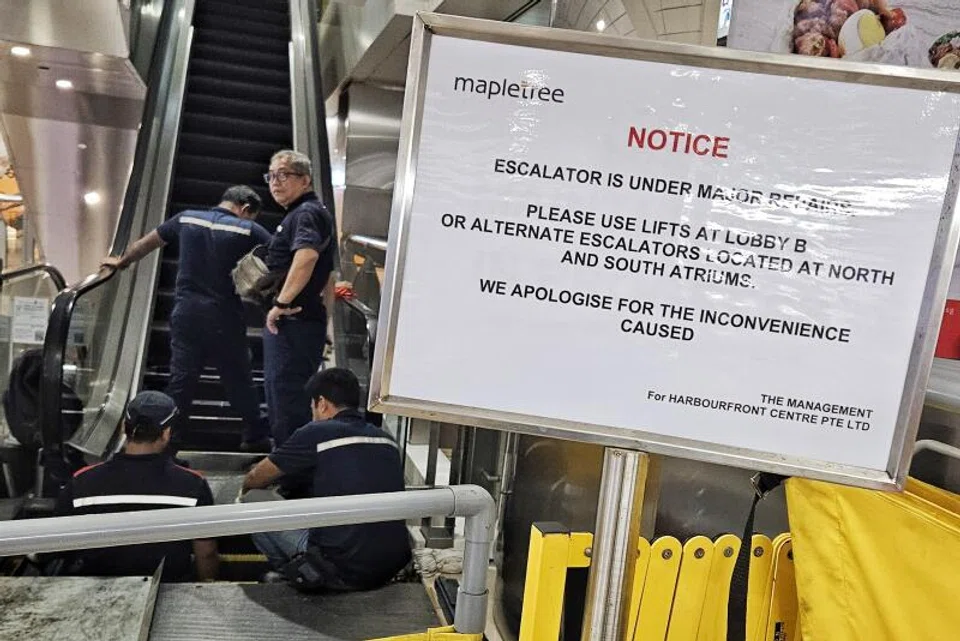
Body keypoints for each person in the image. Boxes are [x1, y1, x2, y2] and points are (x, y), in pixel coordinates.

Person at [102, 186, 272, 451]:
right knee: (238, 378)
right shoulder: (248, 230)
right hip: (224, 316)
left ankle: (170, 442)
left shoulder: (186, 218)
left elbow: (146, 244)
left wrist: (122, 262)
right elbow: (280, 256)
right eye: (251, 215)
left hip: (186, 313)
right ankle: (255, 436)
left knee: (182, 380)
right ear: (245, 208)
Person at [242, 368, 410, 591]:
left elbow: (255, 478)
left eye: (312, 406)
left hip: (340, 568)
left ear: (321, 403)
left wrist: (244, 490)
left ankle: (295, 573)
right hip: (390, 565)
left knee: (253, 500)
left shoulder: (316, 432)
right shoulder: (387, 440)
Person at [56, 391, 219, 581]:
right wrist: (207, 585)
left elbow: (55, 545)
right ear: (166, 434)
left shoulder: (81, 482)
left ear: (124, 428)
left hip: (95, 588)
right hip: (167, 587)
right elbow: (206, 553)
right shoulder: (192, 485)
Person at [261, 150, 336, 445]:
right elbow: (328, 276)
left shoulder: (306, 213)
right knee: (284, 394)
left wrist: (280, 303)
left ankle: (293, 472)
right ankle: (288, 461)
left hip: (294, 320)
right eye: (271, 176)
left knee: (286, 396)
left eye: (283, 174)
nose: (275, 182)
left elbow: (306, 257)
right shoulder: (304, 213)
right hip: (304, 321)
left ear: (305, 180)